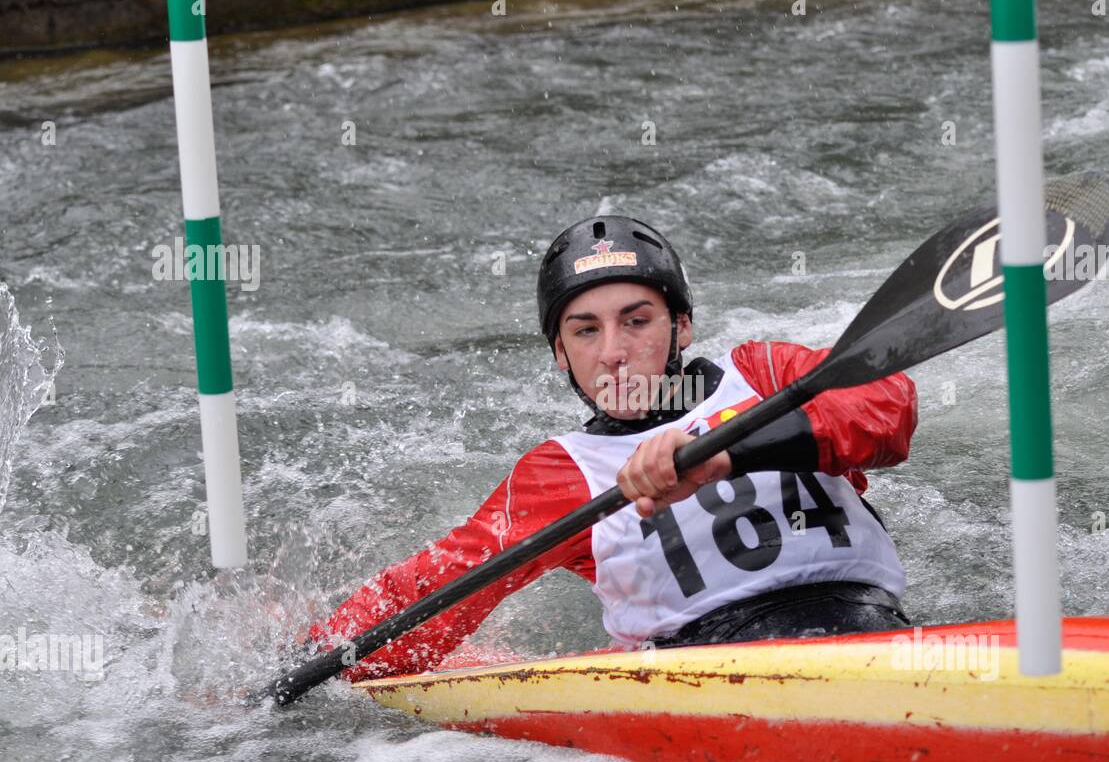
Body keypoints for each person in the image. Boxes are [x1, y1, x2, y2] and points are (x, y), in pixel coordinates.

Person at [306, 216, 918, 681]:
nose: (613, 352)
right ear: (560, 354)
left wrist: (721, 453)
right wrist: (314, 661)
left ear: (681, 327)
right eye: (585, 331)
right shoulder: (561, 472)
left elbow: (887, 410)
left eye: (637, 320)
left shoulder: (765, 374)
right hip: (703, 676)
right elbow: (434, 592)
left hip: (869, 634)